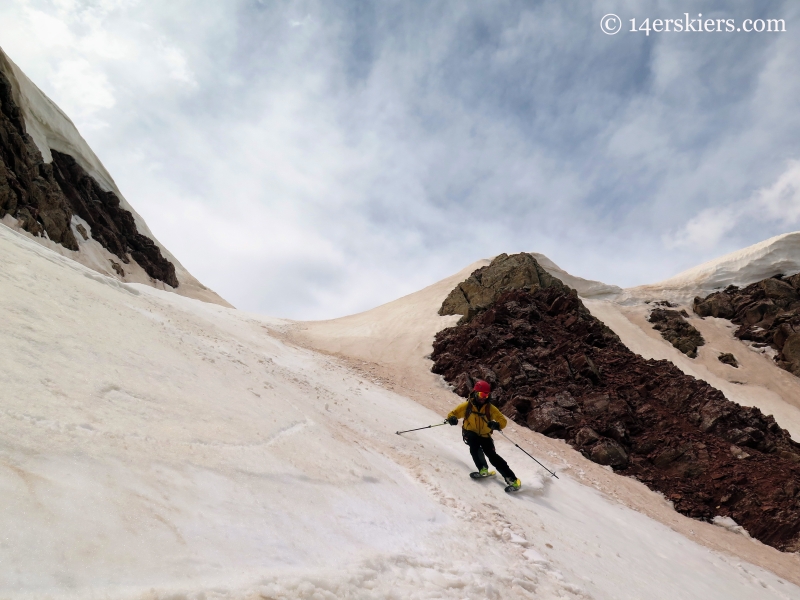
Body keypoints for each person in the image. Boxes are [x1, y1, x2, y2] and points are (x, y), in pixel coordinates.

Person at [446, 380, 521, 491]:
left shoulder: (490, 408)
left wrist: (496, 425)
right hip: (470, 432)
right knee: (474, 446)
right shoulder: (467, 406)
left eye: (486, 395)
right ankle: (483, 469)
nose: (484, 398)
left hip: (485, 435)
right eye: (482, 394)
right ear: (476, 393)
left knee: (492, 456)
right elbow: (453, 414)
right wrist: (452, 419)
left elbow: (503, 421)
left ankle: (512, 479)